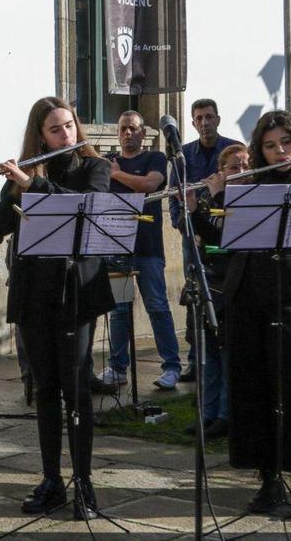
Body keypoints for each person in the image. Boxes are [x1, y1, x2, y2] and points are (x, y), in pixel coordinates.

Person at [0, 97, 113, 520]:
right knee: (44, 390)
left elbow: (87, 207)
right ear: (39, 136)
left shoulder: (94, 168)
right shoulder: (24, 177)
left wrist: (34, 188)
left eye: (69, 126)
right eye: (55, 130)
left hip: (76, 290)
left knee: (78, 392)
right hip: (33, 293)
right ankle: (52, 480)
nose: (66, 135)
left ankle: (84, 483)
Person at [202, 110, 291, 519]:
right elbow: (219, 237)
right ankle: (269, 481)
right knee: (252, 386)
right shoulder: (249, 184)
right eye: (269, 145)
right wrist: (211, 197)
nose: (280, 150)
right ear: (260, 150)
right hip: (246, 292)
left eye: (286, 143)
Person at [96, 111, 181, 390]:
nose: (127, 134)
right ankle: (118, 368)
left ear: (143, 133)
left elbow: (149, 185)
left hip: (148, 247)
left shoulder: (154, 158)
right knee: (119, 311)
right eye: (123, 129)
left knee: (157, 305)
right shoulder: (106, 162)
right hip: (117, 246)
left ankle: (171, 366)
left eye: (133, 128)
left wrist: (118, 174)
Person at [182, 144, 250, 440]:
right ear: (221, 171)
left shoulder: (252, 201)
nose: (243, 172)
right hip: (211, 283)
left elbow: (231, 238)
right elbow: (206, 237)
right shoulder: (212, 199)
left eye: (246, 166)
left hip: (237, 285)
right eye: (235, 167)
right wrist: (194, 208)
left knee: (227, 355)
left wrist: (222, 193)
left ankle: (225, 416)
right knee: (208, 355)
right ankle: (208, 415)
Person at [174, 99, 242, 382]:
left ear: (218, 119)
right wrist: (187, 226)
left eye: (209, 117)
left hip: (229, 233)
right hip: (195, 232)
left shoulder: (234, 151)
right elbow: (176, 195)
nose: (204, 122)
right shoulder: (183, 154)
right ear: (192, 122)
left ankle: (222, 357)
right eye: (199, 118)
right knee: (196, 296)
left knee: (224, 297)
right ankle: (196, 360)